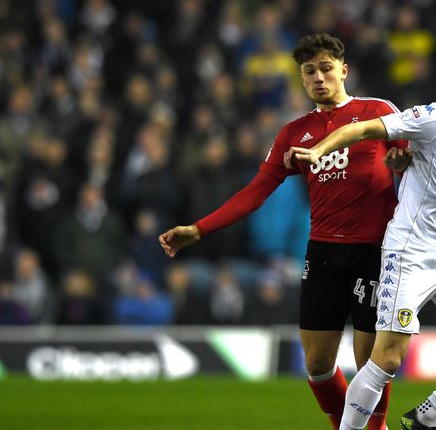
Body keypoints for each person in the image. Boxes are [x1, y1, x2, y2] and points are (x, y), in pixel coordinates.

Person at [159, 33, 410, 430]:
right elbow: (255, 192)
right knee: (317, 365)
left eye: (326, 69)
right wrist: (198, 228)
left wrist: (403, 162)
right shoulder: (294, 133)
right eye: (309, 72)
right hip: (323, 254)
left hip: (375, 252)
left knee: (369, 364)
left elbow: (418, 158)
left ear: (344, 71)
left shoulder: (377, 111)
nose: (318, 78)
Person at [288, 56, 436, 430]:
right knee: (387, 360)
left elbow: (427, 172)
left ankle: (427, 416)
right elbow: (366, 130)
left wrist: (406, 164)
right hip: (410, 253)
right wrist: (320, 150)